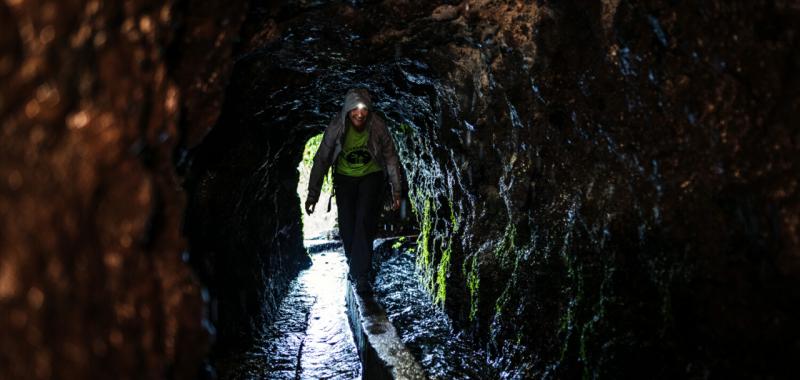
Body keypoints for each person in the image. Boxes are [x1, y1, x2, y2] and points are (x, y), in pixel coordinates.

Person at [305, 88, 402, 293]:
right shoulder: (337, 126)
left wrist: (396, 191)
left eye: (364, 110)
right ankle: (356, 266)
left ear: (369, 111)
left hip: (371, 175)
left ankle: (361, 275)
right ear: (347, 110)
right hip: (345, 177)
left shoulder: (377, 126)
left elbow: (391, 158)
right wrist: (313, 194)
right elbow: (322, 159)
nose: (360, 114)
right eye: (355, 110)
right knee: (348, 226)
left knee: (364, 219)